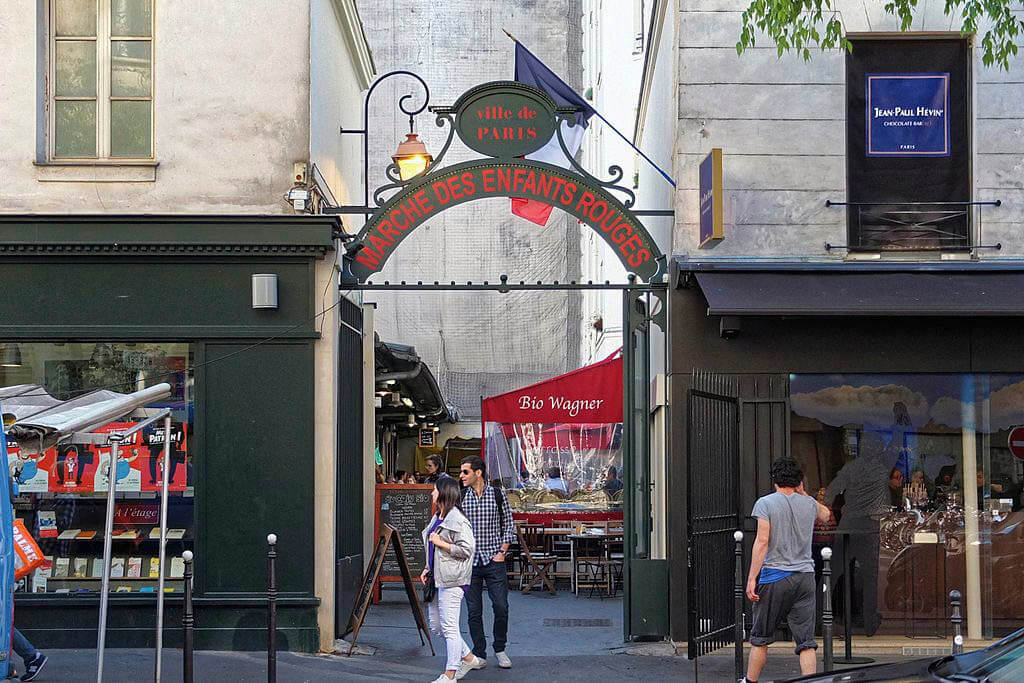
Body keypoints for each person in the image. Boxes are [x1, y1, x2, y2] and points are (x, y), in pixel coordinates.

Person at [742, 459, 831, 683]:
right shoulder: (809, 503)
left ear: (774, 480)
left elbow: (762, 542)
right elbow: (826, 515)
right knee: (806, 641)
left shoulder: (765, 503)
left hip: (775, 575)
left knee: (760, 637)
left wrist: (752, 578)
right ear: (799, 481)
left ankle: (750, 682)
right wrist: (804, 493)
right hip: (805, 577)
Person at [824, 430, 900, 636]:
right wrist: (900, 421)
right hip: (869, 527)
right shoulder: (882, 466)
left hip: (848, 525)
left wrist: (829, 513)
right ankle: (868, 625)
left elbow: (830, 492)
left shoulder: (850, 468)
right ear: (877, 450)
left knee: (832, 574)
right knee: (870, 578)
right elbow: (896, 443)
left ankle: (819, 622)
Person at [420, 476, 480, 682]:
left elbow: (467, 549)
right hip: (436, 579)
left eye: (435, 490)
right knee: (437, 626)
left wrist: (441, 543)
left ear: (444, 493)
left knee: (449, 627)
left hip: (453, 580)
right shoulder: (438, 516)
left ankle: (450, 674)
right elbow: (430, 546)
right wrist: (428, 567)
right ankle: (469, 658)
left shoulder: (458, 519)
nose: (432, 494)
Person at [459, 455, 514, 671]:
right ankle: (479, 653)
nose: (461, 476)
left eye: (466, 472)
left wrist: (502, 552)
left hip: (494, 559)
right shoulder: (461, 497)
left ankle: (500, 648)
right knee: (474, 610)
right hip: (470, 562)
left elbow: (509, 525)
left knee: (501, 606)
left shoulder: (498, 494)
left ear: (478, 473)